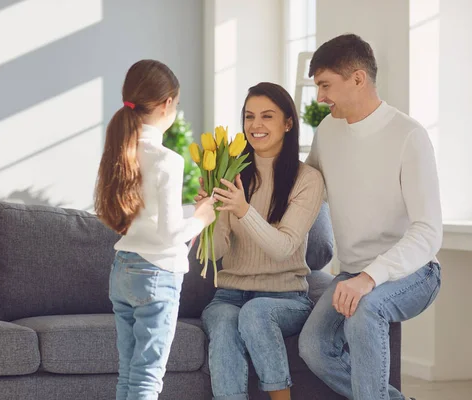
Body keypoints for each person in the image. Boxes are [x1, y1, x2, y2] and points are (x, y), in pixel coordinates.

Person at [298, 33, 442, 400]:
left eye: (326, 85)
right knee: (314, 347)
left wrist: (369, 278)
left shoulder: (409, 135)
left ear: (358, 79)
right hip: (352, 273)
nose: (320, 98)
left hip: (414, 272)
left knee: (365, 310)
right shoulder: (327, 132)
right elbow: (305, 189)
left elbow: (428, 233)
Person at [94, 59, 216, 400]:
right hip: (156, 276)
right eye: (176, 104)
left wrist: (192, 210)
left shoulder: (120, 152)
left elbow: (146, 218)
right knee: (147, 380)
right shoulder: (168, 160)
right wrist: (203, 217)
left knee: (129, 375)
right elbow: (168, 236)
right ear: (167, 105)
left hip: (123, 271)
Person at [195, 82, 325, 400]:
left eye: (267, 116)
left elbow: (283, 248)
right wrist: (206, 220)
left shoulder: (307, 180)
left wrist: (243, 209)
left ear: (288, 123)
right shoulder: (231, 175)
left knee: (255, 312)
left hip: (285, 299)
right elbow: (217, 253)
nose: (256, 125)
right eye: (249, 116)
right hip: (228, 295)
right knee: (225, 324)